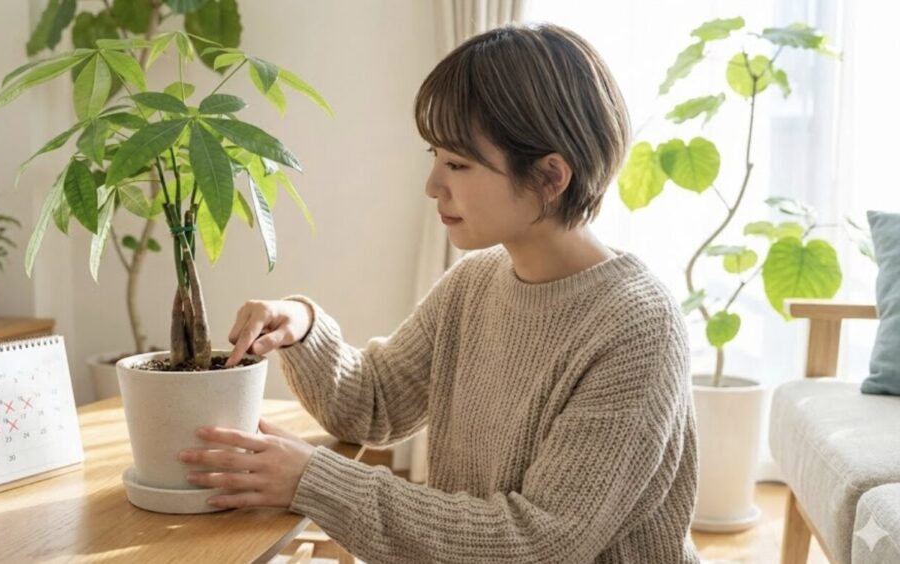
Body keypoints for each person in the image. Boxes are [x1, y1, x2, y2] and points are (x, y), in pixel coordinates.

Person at [177, 23, 700, 563]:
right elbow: (374, 405)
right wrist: (303, 327)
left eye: (457, 164)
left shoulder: (638, 329)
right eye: (435, 155)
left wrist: (315, 480)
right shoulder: (475, 284)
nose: (431, 184)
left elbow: (539, 543)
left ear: (550, 176)